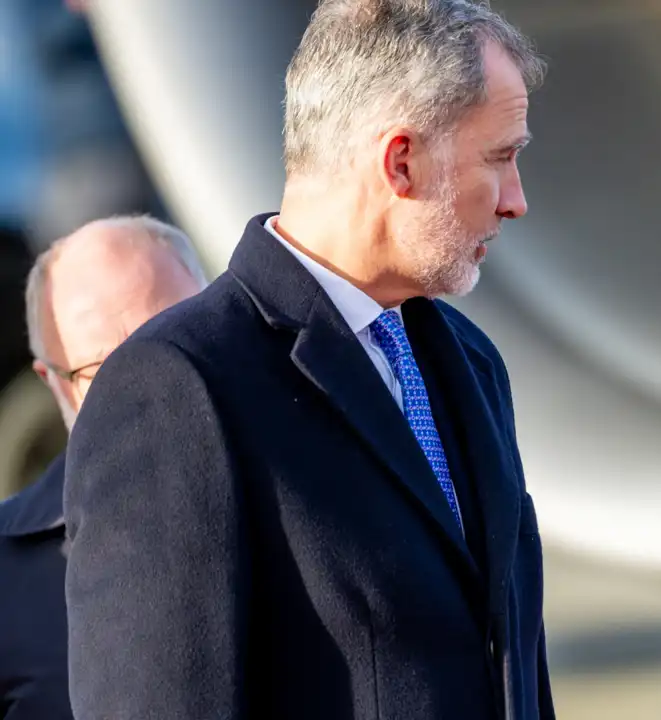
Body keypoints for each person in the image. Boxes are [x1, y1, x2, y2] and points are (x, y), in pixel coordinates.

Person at [62, 1, 552, 719]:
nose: (517, 201)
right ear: (402, 161)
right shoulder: (179, 387)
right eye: (501, 157)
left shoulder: (471, 363)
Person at [0, 215, 207, 720]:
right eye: (103, 370)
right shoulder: (7, 576)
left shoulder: (333, 487)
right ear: (53, 383)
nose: (149, 385)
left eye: (173, 341)